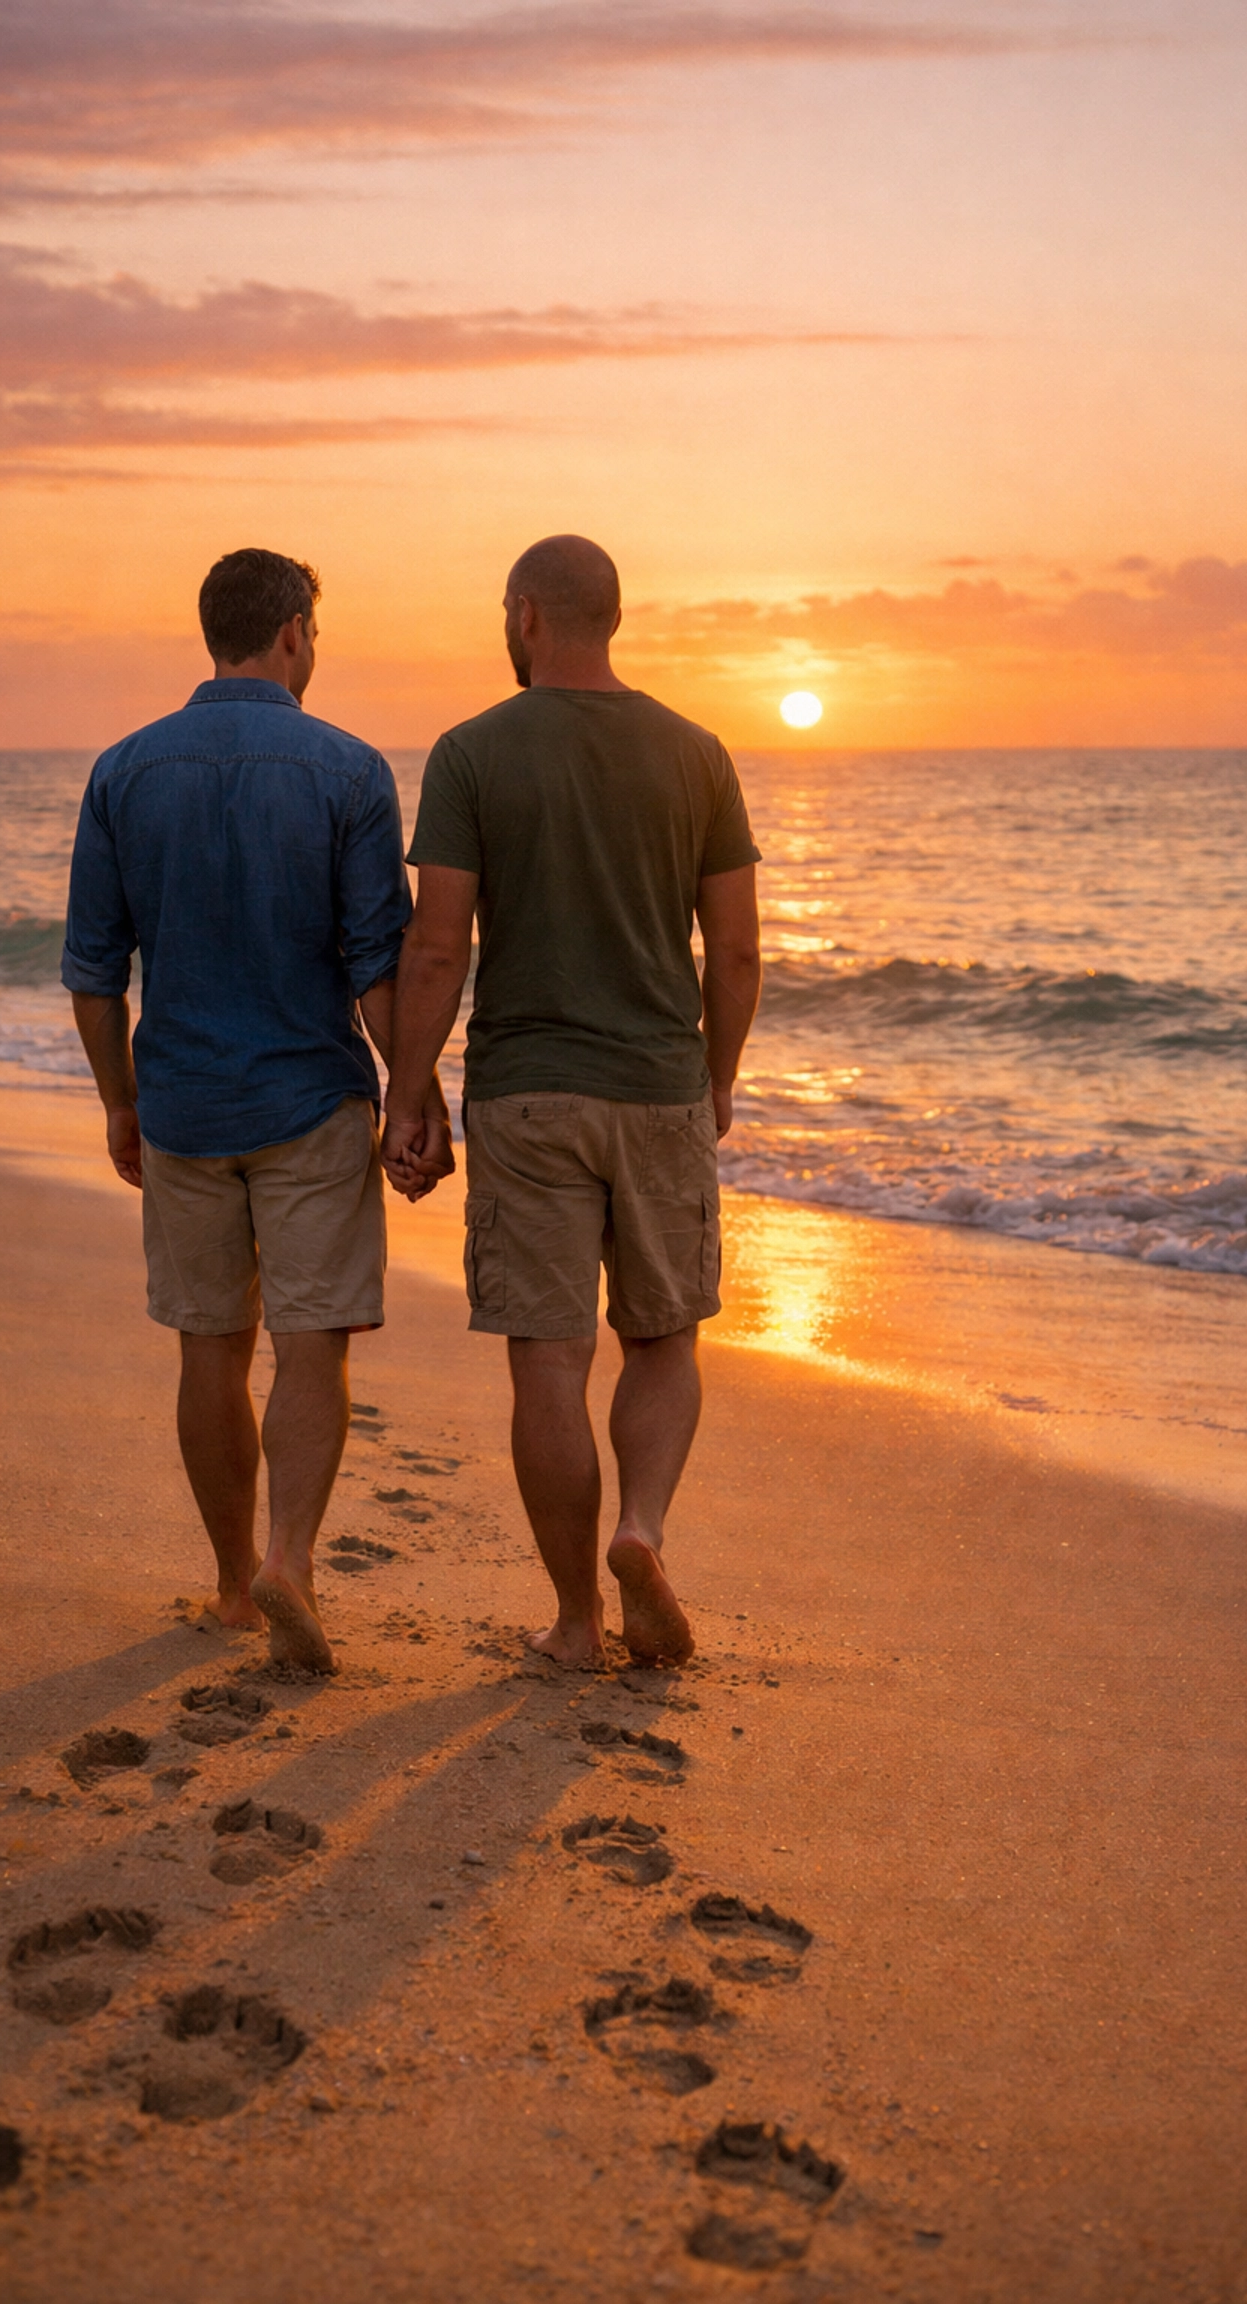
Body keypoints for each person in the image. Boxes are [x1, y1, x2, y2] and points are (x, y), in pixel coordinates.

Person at [61, 546, 451, 1673]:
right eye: (314, 635)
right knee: (313, 1347)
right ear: (291, 633)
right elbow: (379, 957)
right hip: (312, 1101)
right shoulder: (347, 769)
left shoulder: (124, 770)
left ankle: (234, 1584)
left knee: (209, 1347)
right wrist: (413, 1094)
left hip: (182, 1103)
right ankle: (292, 1558)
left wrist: (120, 1108)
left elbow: (94, 975)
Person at [382, 534, 761, 1668]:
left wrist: (409, 1096)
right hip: (657, 1092)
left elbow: (437, 949)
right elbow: (734, 954)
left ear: (527, 614)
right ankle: (640, 1530)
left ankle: (576, 1623)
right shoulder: (698, 754)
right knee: (662, 1338)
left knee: (547, 1358)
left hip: (528, 1095)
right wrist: (718, 1078)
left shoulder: (469, 754)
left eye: (507, 613)